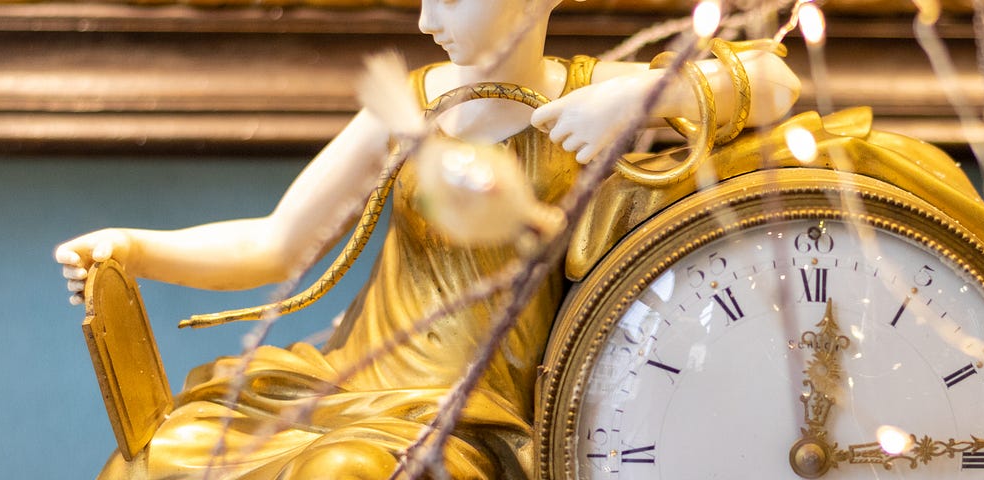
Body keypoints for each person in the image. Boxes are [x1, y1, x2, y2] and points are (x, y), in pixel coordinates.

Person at [54, 0, 801, 477]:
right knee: (166, 456)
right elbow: (280, 244)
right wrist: (133, 248)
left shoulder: (588, 95)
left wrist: (647, 93)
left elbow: (775, 80)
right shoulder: (411, 105)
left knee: (346, 473)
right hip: (346, 384)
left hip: (470, 416)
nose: (423, 19)